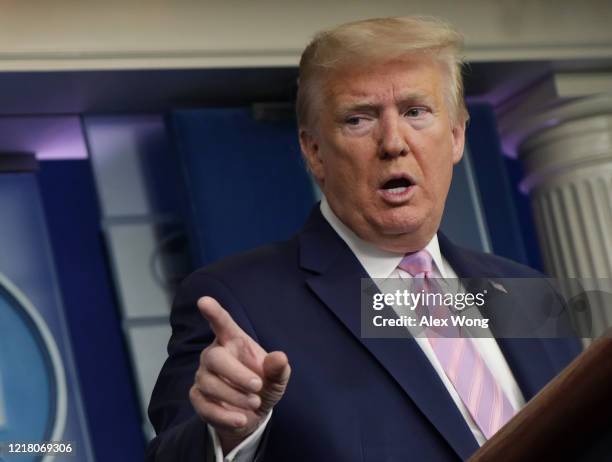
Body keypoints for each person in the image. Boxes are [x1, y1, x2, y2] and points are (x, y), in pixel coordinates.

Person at [146, 16, 580, 461]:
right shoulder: (241, 301)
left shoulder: (529, 293)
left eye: (415, 111)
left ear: (455, 137)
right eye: (359, 119)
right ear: (314, 151)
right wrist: (230, 437)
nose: (393, 142)